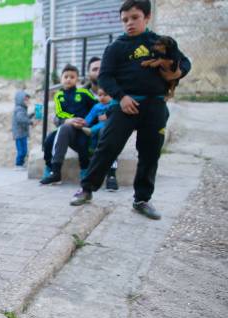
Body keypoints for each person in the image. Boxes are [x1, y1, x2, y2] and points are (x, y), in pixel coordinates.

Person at [70, 0, 191, 220]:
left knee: (150, 153)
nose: (129, 23)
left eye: (134, 18)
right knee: (107, 147)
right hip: (124, 106)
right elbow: (105, 77)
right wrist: (121, 97)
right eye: (125, 20)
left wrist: (178, 73)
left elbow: (185, 62)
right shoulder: (116, 47)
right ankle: (87, 189)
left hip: (154, 106)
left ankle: (142, 199)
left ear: (147, 17)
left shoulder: (160, 43)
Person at [40, 64, 97, 185]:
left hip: (83, 127)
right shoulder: (58, 95)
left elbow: (95, 107)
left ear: (77, 79)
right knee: (49, 140)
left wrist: (85, 121)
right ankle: (51, 168)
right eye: (66, 76)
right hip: (68, 126)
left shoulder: (84, 92)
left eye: (72, 77)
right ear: (61, 79)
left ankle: (84, 169)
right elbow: (59, 113)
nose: (68, 79)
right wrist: (71, 120)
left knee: (83, 143)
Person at [85, 57, 119, 191]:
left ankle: (111, 175)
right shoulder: (82, 94)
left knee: (107, 133)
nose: (99, 72)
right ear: (88, 73)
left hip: (110, 132)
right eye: (94, 69)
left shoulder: (116, 92)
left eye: (101, 68)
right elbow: (85, 117)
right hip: (88, 136)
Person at [81, 88, 117, 189]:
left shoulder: (114, 105)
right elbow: (89, 117)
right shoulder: (97, 107)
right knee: (97, 131)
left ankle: (111, 174)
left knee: (100, 128)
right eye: (100, 95)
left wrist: (108, 116)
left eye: (105, 95)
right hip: (101, 127)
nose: (102, 97)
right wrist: (83, 122)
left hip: (111, 126)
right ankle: (92, 149)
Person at [11, 90, 32, 170]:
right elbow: (21, 119)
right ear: (20, 100)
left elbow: (24, 117)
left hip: (21, 133)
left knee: (24, 150)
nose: (27, 101)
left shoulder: (22, 109)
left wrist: (31, 115)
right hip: (19, 134)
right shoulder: (19, 109)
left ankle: (21, 164)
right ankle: (18, 164)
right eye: (25, 100)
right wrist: (31, 122)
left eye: (28, 99)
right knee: (22, 150)